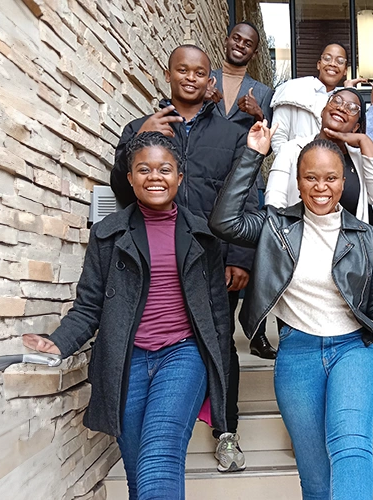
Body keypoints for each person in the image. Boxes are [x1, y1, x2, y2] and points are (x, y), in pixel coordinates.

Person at [209, 121, 373, 500]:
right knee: (315, 475)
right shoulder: (274, 226)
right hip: (297, 352)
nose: (321, 187)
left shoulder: (364, 235)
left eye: (331, 178)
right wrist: (252, 155)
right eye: (311, 178)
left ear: (343, 182)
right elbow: (224, 221)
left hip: (356, 350)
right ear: (298, 181)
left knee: (349, 443)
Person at [23, 132, 231, 499]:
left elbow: (218, 315)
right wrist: (58, 343)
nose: (155, 177)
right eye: (144, 169)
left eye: (165, 169)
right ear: (130, 178)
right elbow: (89, 306)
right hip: (125, 361)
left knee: (159, 458)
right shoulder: (108, 235)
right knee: (138, 474)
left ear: (179, 177)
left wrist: (220, 377)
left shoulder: (204, 236)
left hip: (183, 354)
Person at [109, 45, 255, 472]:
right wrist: (137, 138)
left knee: (220, 342)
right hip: (151, 261)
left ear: (211, 80)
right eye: (182, 70)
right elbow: (120, 187)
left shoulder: (231, 133)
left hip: (211, 261)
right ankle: (157, 422)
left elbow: (246, 194)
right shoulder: (140, 127)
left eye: (199, 72)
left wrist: (240, 256)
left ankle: (226, 429)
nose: (190, 78)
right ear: (169, 74)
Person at [206, 20, 277, 360]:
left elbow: (270, 141)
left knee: (242, 260)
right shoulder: (205, 80)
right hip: (205, 183)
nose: (241, 45)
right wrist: (204, 102)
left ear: (255, 51)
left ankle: (249, 334)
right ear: (226, 40)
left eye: (248, 43)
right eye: (236, 38)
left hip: (243, 184)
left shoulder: (262, 91)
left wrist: (259, 113)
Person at [265, 87, 373, 227]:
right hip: (298, 238)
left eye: (352, 108)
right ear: (323, 112)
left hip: (349, 240)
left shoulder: (359, 157)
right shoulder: (291, 149)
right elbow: (274, 202)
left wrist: (365, 141)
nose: (341, 108)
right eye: (336, 101)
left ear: (356, 127)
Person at [269, 42, 367, 154]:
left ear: (345, 70)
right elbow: (278, 136)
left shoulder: (343, 102)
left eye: (340, 61)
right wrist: (289, 163)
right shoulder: (293, 89)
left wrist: (350, 90)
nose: (333, 64)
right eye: (327, 58)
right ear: (319, 64)